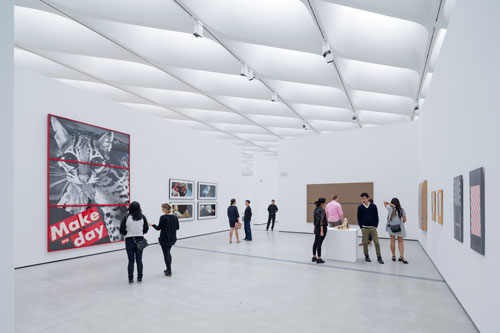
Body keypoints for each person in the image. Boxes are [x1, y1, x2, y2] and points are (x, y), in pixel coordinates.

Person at [119, 201, 149, 283]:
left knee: (131, 260)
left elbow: (122, 230)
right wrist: (140, 232)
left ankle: (130, 278)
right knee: (139, 260)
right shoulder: (143, 217)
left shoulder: (126, 217)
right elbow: (146, 229)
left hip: (129, 240)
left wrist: (127, 233)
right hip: (140, 239)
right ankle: (139, 278)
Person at [149, 203, 180, 277]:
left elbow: (158, 228)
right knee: (168, 253)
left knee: (166, 254)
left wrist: (152, 225)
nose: (161, 210)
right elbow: (177, 228)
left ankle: (169, 271)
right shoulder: (175, 217)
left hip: (165, 239)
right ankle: (168, 269)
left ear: (164, 209)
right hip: (172, 238)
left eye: (162, 209)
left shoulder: (163, 217)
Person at [357, 193, 384, 264]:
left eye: (364, 198)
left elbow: (376, 216)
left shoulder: (373, 206)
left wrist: (375, 225)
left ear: (368, 198)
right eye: (362, 199)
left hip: (373, 228)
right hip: (364, 228)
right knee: (365, 243)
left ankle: (379, 257)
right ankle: (366, 256)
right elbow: (359, 218)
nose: (363, 200)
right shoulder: (360, 207)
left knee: (377, 243)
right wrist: (361, 227)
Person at [384, 198, 408, 264]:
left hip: (391, 227)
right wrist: (400, 223)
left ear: (392, 203)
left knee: (392, 241)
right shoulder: (401, 210)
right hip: (400, 228)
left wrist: (390, 204)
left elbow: (385, 202)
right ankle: (401, 256)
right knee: (400, 242)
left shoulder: (389, 208)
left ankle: (393, 256)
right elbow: (405, 220)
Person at [312, 198, 328, 264]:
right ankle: (319, 258)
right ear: (322, 203)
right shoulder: (322, 210)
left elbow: (314, 220)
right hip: (322, 228)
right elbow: (321, 221)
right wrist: (322, 231)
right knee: (319, 243)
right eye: (325, 202)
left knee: (316, 242)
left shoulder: (315, 209)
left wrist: (314, 228)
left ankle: (314, 257)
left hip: (317, 228)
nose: (325, 203)